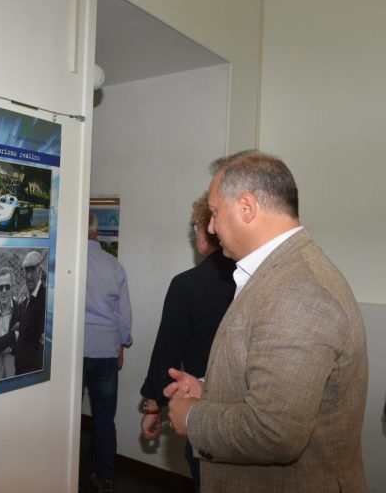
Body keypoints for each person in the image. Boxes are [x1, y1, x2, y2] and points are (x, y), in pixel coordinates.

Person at [164, 150, 368, 492]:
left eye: (215, 213)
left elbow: (274, 432)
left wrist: (192, 417)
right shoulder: (280, 273)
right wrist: (208, 390)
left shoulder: (298, 290)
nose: (211, 227)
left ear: (247, 207)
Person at [139, 193, 235, 491]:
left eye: (196, 229)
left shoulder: (187, 284)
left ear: (208, 231)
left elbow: (166, 352)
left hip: (202, 409)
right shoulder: (253, 280)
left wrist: (153, 407)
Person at [82, 213, 132, 493]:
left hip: (75, 351)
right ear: (96, 231)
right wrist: (121, 345)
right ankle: (105, 477)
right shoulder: (115, 266)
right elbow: (124, 316)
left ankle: (61, 471)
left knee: (66, 416)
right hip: (106, 351)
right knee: (104, 419)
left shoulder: (71, 262)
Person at [15, 251, 46, 375]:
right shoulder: (28, 299)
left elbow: (42, 347)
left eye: (32, 270)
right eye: (26, 270)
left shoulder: (44, 300)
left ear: (40, 271)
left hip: (31, 373)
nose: (28, 276)